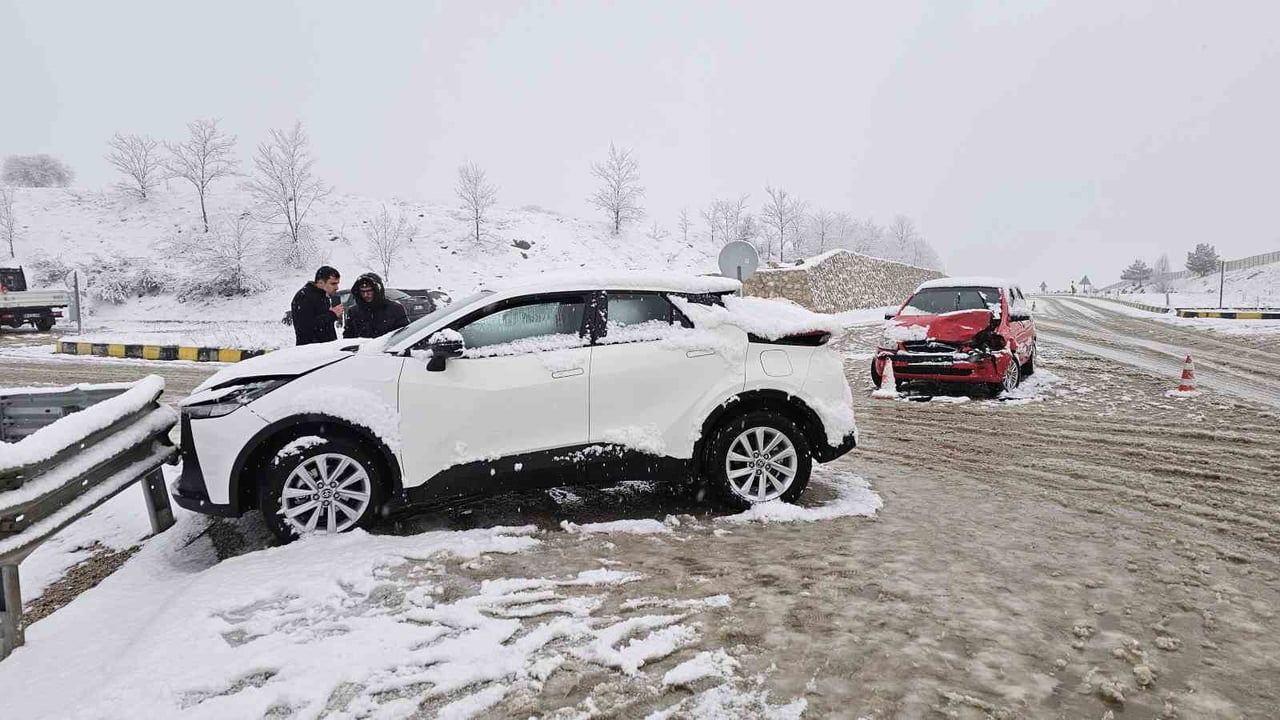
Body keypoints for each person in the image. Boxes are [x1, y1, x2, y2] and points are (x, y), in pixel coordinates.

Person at [343, 272, 409, 338]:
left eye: (369, 291)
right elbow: (348, 338)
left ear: (377, 290)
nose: (366, 295)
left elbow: (404, 336)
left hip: (390, 347)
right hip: (363, 347)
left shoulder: (395, 309)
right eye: (362, 292)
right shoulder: (353, 312)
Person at [292, 266, 343, 345]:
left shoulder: (322, 296)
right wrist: (332, 315)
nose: (337, 287)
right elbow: (305, 327)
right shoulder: (304, 297)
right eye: (333, 283)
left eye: (337, 283)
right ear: (320, 282)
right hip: (311, 351)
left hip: (325, 349)